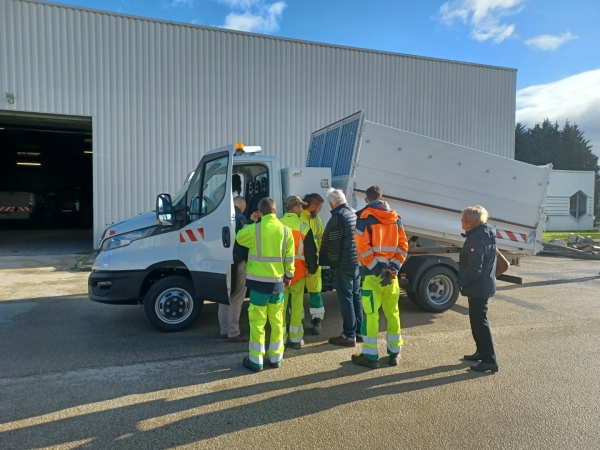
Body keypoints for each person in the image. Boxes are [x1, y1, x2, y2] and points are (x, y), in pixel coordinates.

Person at [236, 197, 295, 372]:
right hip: (277, 284)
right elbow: (289, 257)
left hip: (258, 285)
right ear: (275, 211)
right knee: (277, 322)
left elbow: (239, 238)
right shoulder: (286, 231)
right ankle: (276, 358)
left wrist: (252, 221)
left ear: (260, 213)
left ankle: (256, 361)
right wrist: (289, 275)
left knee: (257, 323)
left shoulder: (255, 229)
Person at [353, 186, 409, 369]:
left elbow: (363, 248)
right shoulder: (396, 218)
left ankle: (371, 357)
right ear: (382, 197)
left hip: (372, 276)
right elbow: (403, 246)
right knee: (393, 313)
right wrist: (392, 269)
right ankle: (394, 354)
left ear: (366, 199)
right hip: (391, 278)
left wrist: (378, 269)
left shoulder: (364, 218)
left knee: (371, 315)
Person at [320, 188, 363, 347]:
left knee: (346, 299)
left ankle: (348, 335)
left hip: (343, 265)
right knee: (356, 296)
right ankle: (359, 332)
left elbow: (333, 246)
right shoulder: (354, 213)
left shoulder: (338, 217)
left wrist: (331, 264)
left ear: (331, 203)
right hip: (356, 262)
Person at [459, 205, 499, 373]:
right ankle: (481, 351)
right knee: (476, 320)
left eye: (462, 219)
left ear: (469, 222)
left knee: (480, 322)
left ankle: (490, 360)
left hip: (479, 286)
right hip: (482, 284)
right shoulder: (483, 234)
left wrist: (461, 281)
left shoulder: (476, 240)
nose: (461, 221)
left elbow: (474, 268)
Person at [280, 196, 318, 349]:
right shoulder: (304, 227)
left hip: (280, 274)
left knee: (280, 307)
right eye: (301, 207)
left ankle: (280, 339)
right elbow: (311, 251)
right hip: (299, 272)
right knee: (297, 306)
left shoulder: (277, 225)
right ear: (295, 208)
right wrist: (312, 269)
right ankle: (296, 340)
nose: (302, 209)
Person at [218, 196, 252, 342]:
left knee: (223, 298)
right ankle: (234, 332)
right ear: (242, 207)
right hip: (238, 262)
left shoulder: (221, 218)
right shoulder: (241, 219)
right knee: (237, 298)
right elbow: (246, 240)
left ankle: (223, 330)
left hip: (222, 262)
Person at [300, 193, 326, 335]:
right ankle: (316, 321)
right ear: (313, 207)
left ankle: (301, 321)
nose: (320, 210)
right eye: (319, 207)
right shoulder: (300, 219)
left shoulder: (315, 220)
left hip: (307, 264)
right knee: (314, 292)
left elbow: (321, 241)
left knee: (299, 294)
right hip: (308, 263)